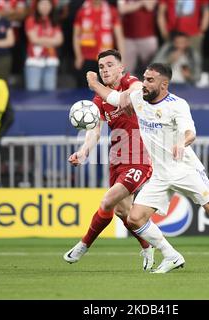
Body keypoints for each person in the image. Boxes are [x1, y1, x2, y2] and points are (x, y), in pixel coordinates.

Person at [87, 62, 209, 274]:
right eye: (144, 78)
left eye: (150, 80)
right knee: (134, 218)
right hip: (159, 173)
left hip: (184, 168)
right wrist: (94, 83)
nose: (144, 84)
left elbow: (190, 132)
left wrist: (181, 143)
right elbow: (113, 98)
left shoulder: (177, 104)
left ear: (164, 84)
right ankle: (171, 256)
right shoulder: (138, 97)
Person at [63, 49, 154, 270]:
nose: (105, 70)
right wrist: (83, 152)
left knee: (107, 202)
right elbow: (94, 130)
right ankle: (149, 247)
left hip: (140, 157)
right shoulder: (99, 101)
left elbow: (128, 97)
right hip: (118, 159)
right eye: (101, 66)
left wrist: (95, 84)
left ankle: (83, 245)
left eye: (110, 65)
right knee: (125, 212)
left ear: (121, 68)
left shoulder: (131, 83)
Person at [72, 0, 125, 87]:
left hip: (107, 57)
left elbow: (119, 36)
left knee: (108, 88)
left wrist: (121, 59)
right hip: (86, 57)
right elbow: (76, 35)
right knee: (85, 87)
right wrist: (78, 56)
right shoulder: (82, 11)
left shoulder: (112, 11)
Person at [24, 0, 64, 91]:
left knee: (50, 92)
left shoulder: (54, 21)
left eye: (47, 4)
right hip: (34, 60)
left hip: (51, 60)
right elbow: (33, 39)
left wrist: (41, 39)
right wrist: (51, 40)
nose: (45, 6)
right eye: (42, 4)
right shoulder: (31, 20)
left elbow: (60, 40)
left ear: (51, 6)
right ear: (37, 5)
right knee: (33, 92)